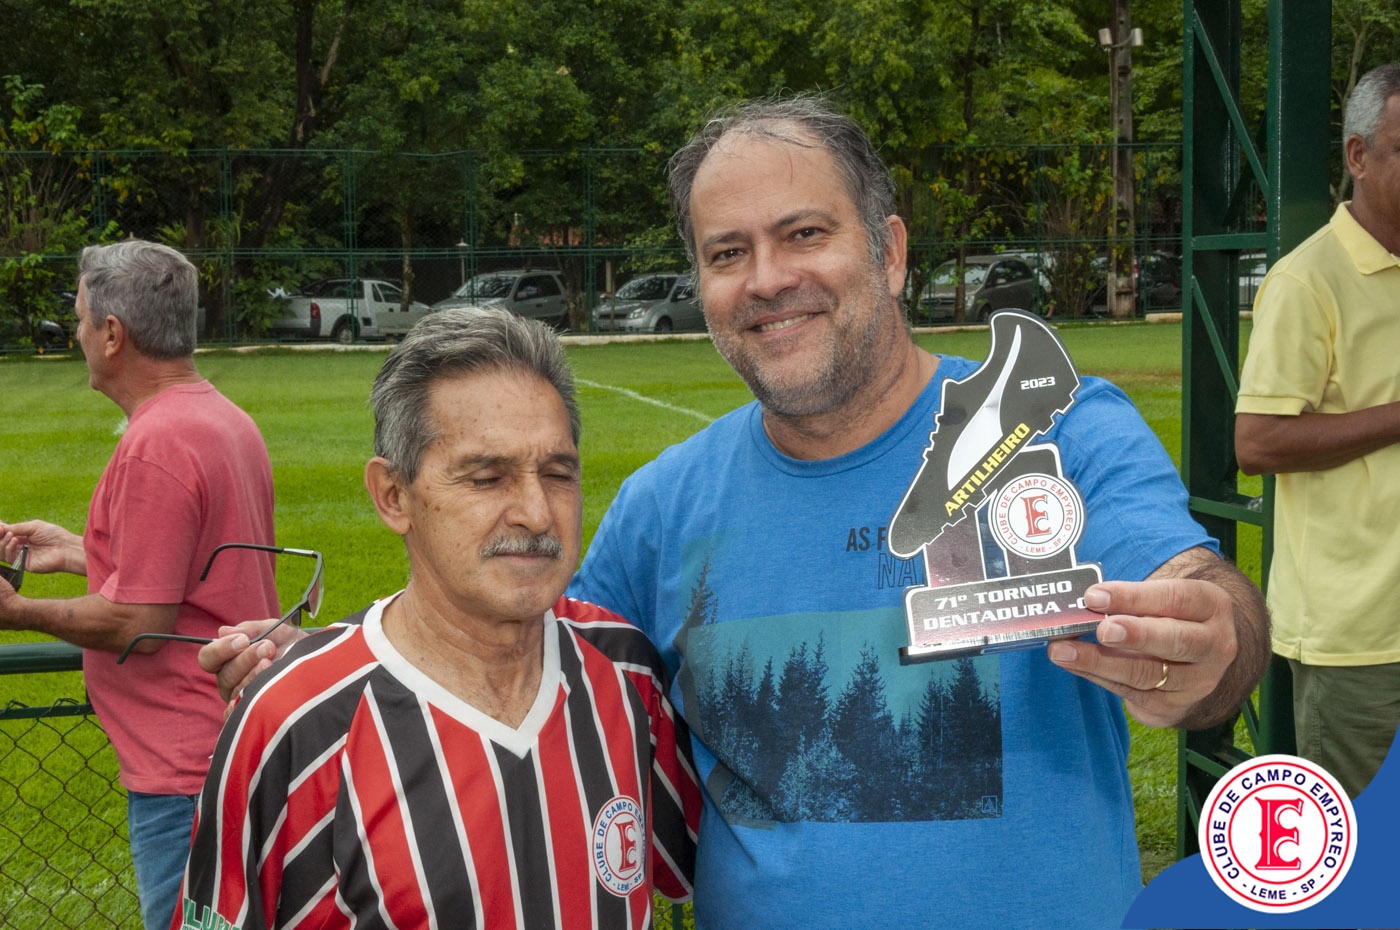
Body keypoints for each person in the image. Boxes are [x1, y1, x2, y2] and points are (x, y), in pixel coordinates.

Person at [205, 96, 1269, 929]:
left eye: (803, 233)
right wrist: (343, 662)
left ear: (891, 252)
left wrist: (1206, 638)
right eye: (726, 253)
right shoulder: (662, 508)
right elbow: (521, 652)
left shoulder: (1050, 426)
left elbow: (1198, 600)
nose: (766, 279)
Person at [177, 307, 699, 930]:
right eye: (487, 478)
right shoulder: (290, 722)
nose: (537, 513)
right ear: (393, 495)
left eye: (558, 474)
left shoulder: (626, 674)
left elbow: (711, 865)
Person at [0, 240, 279, 930]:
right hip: (231, 739)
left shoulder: (157, 442)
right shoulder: (220, 417)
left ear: (113, 334)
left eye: (80, 318)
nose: (76, 333)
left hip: (185, 768)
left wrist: (18, 610)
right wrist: (75, 550)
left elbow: (139, 624)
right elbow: (193, 574)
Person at [1235, 61, 1400, 799]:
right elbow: (1257, 442)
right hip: (1360, 641)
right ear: (1358, 156)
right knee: (1376, 849)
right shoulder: (1307, 281)